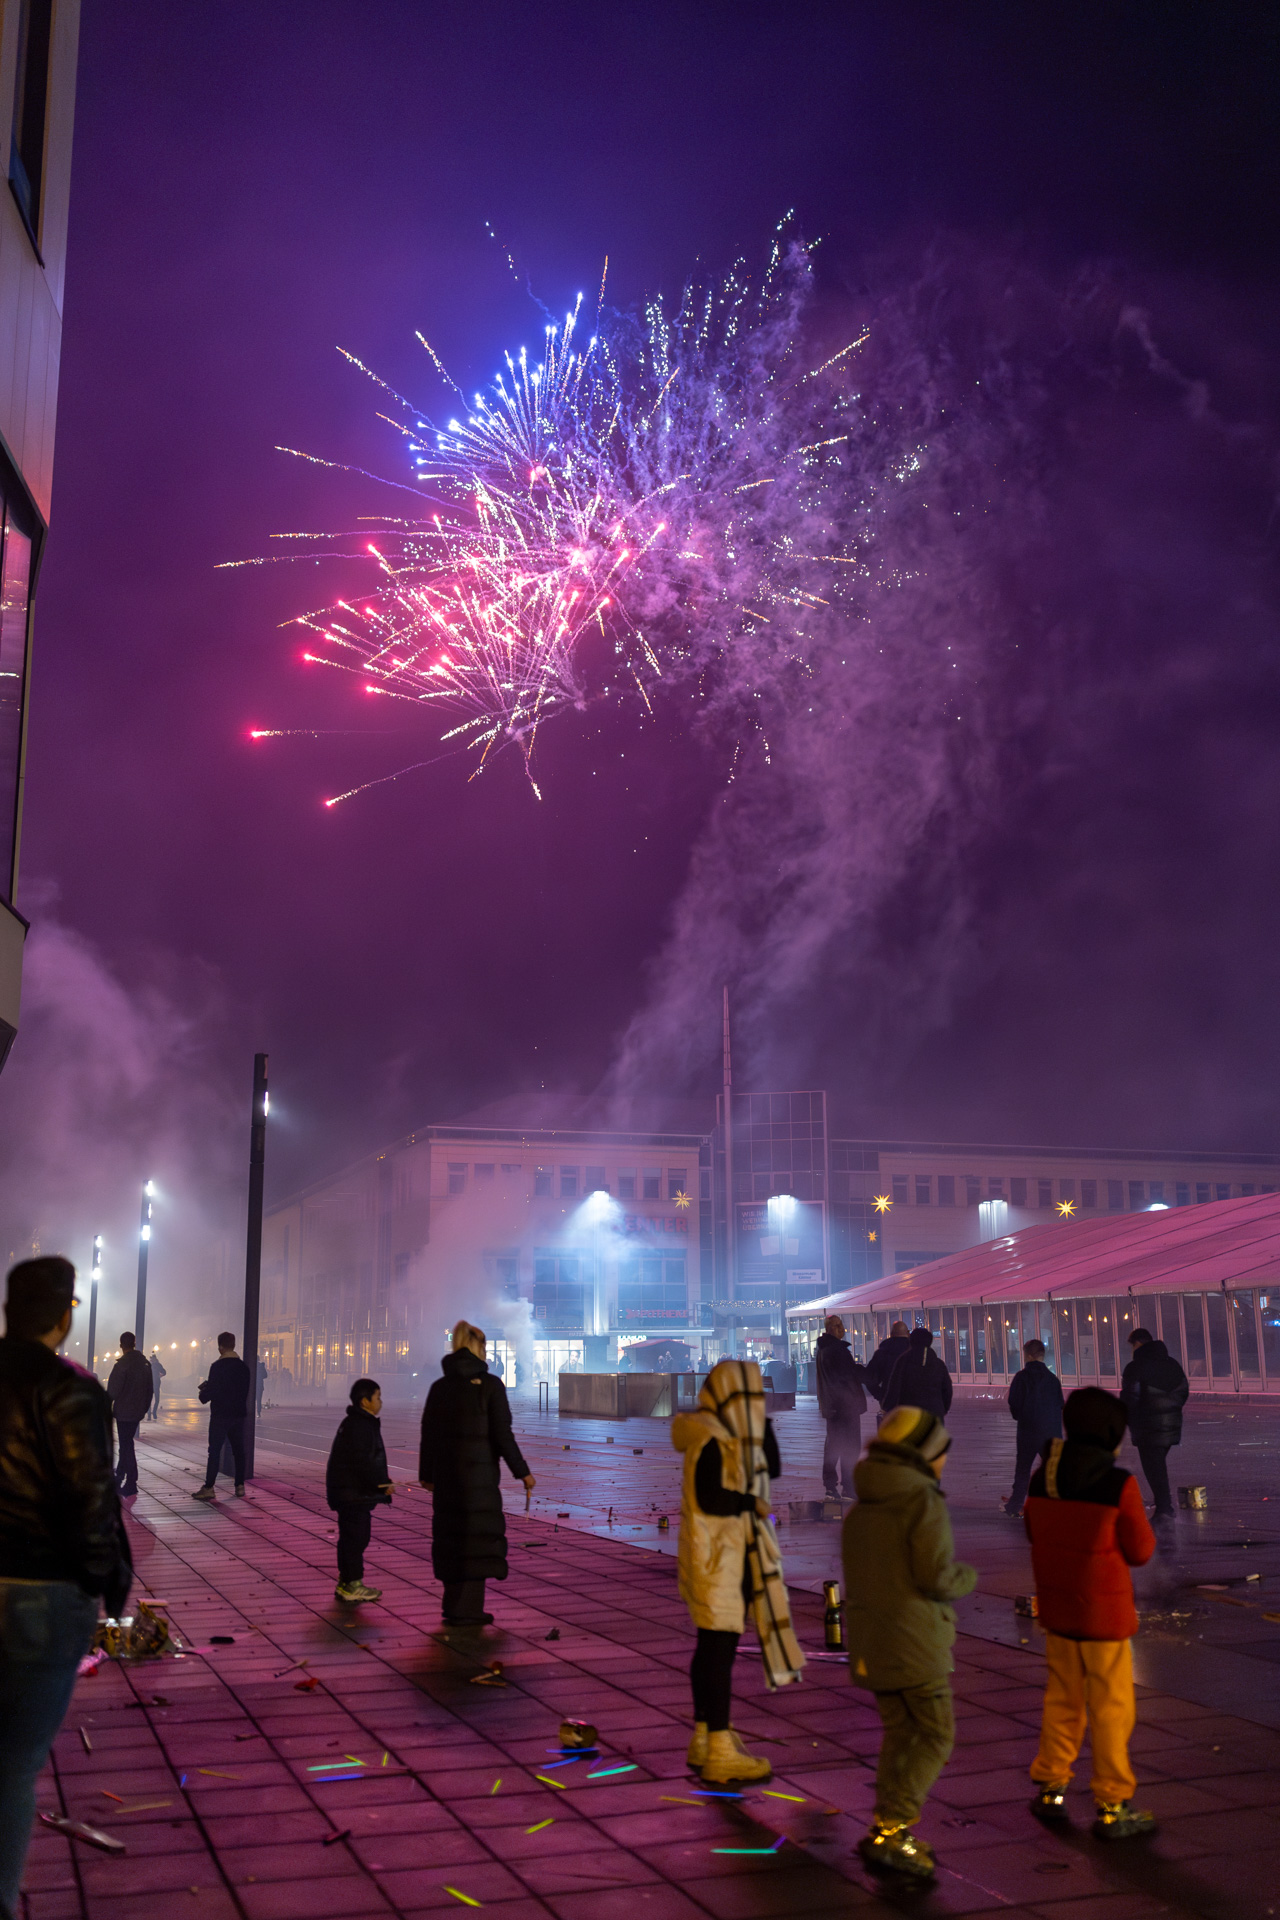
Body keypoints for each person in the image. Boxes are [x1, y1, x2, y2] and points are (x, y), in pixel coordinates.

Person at [0, 1258, 132, 1919]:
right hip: (39, 1589)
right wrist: (100, 1585)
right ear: (64, 1315)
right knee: (14, 1763)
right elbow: (91, 1500)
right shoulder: (71, 1388)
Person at [843, 1406, 976, 1880]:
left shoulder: (864, 1502)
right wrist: (968, 1577)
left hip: (871, 1641)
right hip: (915, 1642)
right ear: (923, 1454)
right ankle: (895, 1827)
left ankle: (884, 1827)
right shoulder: (922, 1501)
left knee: (899, 1733)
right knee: (936, 1734)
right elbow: (937, 1576)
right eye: (940, 1454)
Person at [1023, 1386, 1157, 1839]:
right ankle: (1113, 1802)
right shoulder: (1117, 1484)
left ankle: (1051, 1786)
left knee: (1062, 1701)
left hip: (1059, 1613)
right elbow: (1140, 1551)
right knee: (1111, 1708)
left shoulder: (1045, 1478)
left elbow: (1032, 1532)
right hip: (1104, 1619)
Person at [672, 1358, 803, 1784]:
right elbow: (714, 1497)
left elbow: (773, 1466)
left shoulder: (730, 1434)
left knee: (712, 1648)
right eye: (750, 1395)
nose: (757, 1402)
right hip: (720, 1560)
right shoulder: (713, 1439)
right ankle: (720, 1747)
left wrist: (759, 1423)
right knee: (717, 1652)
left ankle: (706, 1737)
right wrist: (750, 1504)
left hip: (722, 1557)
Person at [419, 1322, 534, 1626]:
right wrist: (522, 1472)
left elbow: (427, 1435)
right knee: (477, 1539)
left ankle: (452, 1604)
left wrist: (426, 1475)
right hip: (479, 1480)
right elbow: (502, 1435)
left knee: (451, 1537)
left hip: (446, 1476)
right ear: (476, 1347)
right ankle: (468, 1608)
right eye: (484, 1345)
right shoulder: (491, 1385)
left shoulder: (439, 1387)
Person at [326, 1377, 392, 1605]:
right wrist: (382, 1484)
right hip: (353, 1494)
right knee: (356, 1538)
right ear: (365, 1401)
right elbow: (366, 1462)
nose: (381, 1402)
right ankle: (352, 1584)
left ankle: (346, 1582)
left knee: (350, 1538)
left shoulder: (354, 1422)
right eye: (378, 1397)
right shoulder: (361, 1425)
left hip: (348, 1492)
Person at [1120, 1327, 1188, 1521]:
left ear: (1138, 1344)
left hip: (1147, 1426)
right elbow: (1183, 1390)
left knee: (1153, 1466)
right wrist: (1171, 1409)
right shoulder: (1172, 1364)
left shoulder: (1135, 1367)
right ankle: (1164, 1505)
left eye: (1132, 1346)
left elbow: (1130, 1398)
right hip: (1171, 1425)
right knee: (1157, 1464)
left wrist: (1128, 1419)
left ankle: (1165, 1508)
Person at [1004, 1338, 1064, 1517]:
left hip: (1028, 1430)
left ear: (1028, 1355)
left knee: (1023, 1469)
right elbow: (1059, 1404)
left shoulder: (1022, 1377)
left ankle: (1015, 1506)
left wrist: (1020, 1416)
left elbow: (1014, 1402)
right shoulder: (1053, 1379)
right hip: (1051, 1431)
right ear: (1042, 1355)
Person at [191, 1332, 251, 1501]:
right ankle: (240, 1486)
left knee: (215, 1451)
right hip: (238, 1415)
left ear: (220, 1347)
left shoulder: (217, 1367)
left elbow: (211, 1393)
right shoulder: (243, 1367)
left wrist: (204, 1392)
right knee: (239, 1451)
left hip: (220, 1415)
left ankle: (209, 1487)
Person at [814, 1314, 867, 1499]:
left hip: (833, 1406)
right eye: (836, 1326)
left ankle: (832, 1486)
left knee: (834, 1445)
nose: (841, 1328)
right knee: (848, 1446)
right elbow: (849, 1374)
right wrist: (870, 1375)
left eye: (841, 1324)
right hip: (845, 1406)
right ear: (828, 1329)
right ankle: (845, 1486)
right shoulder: (836, 1350)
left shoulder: (824, 1349)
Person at [106, 1332, 153, 1496]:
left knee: (126, 1446)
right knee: (127, 1443)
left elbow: (113, 1391)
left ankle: (131, 1481)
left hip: (124, 1412)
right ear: (134, 1343)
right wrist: (143, 1409)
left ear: (121, 1345)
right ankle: (120, 1475)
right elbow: (150, 1390)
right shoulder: (145, 1364)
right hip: (137, 1411)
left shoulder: (122, 1365)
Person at [881, 1325, 953, 1418]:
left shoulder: (903, 1362)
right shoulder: (938, 1364)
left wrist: (887, 1407)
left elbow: (894, 1387)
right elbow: (947, 1389)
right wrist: (943, 1408)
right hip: (934, 1414)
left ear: (911, 1341)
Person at [863, 1321, 912, 1408]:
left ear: (891, 1334)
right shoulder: (915, 1352)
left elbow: (869, 1378)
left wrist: (881, 1396)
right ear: (908, 1333)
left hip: (890, 1402)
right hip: (913, 1403)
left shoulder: (882, 1352)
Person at [147, 1347, 166, 1421]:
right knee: (153, 1399)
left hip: (154, 1384)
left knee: (154, 1399)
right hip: (153, 1384)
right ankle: (151, 1414)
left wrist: (160, 1375)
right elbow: (164, 1372)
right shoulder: (156, 1365)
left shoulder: (153, 1365)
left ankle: (152, 1413)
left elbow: (164, 1372)